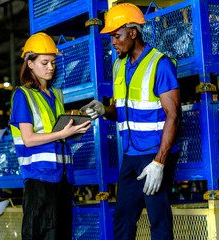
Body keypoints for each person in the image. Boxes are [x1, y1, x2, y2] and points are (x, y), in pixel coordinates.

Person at [80, 3, 181, 240]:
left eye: (116, 36)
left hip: (155, 155)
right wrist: (103, 109)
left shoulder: (160, 64)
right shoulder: (118, 65)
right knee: (123, 218)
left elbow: (174, 114)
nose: (113, 42)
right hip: (130, 155)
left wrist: (159, 163)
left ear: (133, 33)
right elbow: (120, 111)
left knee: (159, 221)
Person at [10, 32, 91, 240]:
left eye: (53, 62)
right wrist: (62, 133)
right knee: (39, 233)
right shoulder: (23, 95)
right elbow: (28, 139)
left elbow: (58, 133)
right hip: (39, 178)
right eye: (44, 62)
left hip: (63, 177)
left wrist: (76, 128)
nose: (50, 67)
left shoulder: (57, 94)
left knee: (62, 233)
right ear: (30, 64)